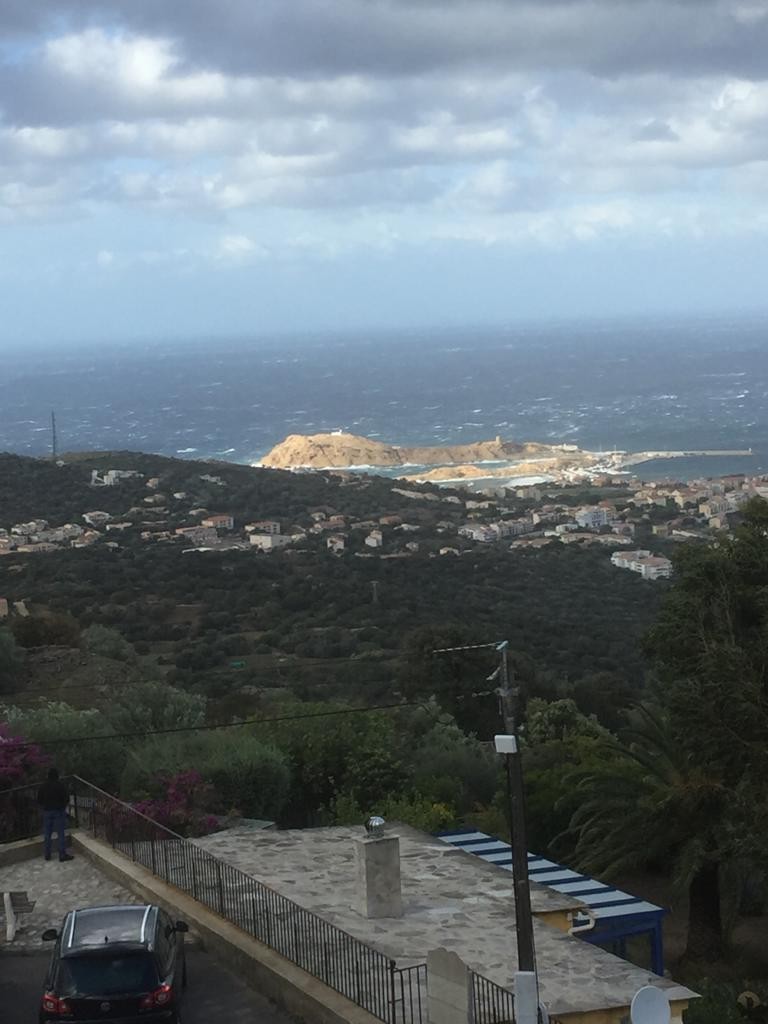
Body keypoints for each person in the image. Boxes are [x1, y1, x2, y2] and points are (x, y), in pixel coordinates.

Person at [36, 768, 74, 862]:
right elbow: (66, 798)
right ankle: (62, 854)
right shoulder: (60, 785)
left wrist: (44, 807)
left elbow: (39, 799)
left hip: (47, 811)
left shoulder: (43, 786)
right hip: (58, 811)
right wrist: (62, 806)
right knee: (60, 833)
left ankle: (47, 854)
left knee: (47, 834)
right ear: (57, 776)